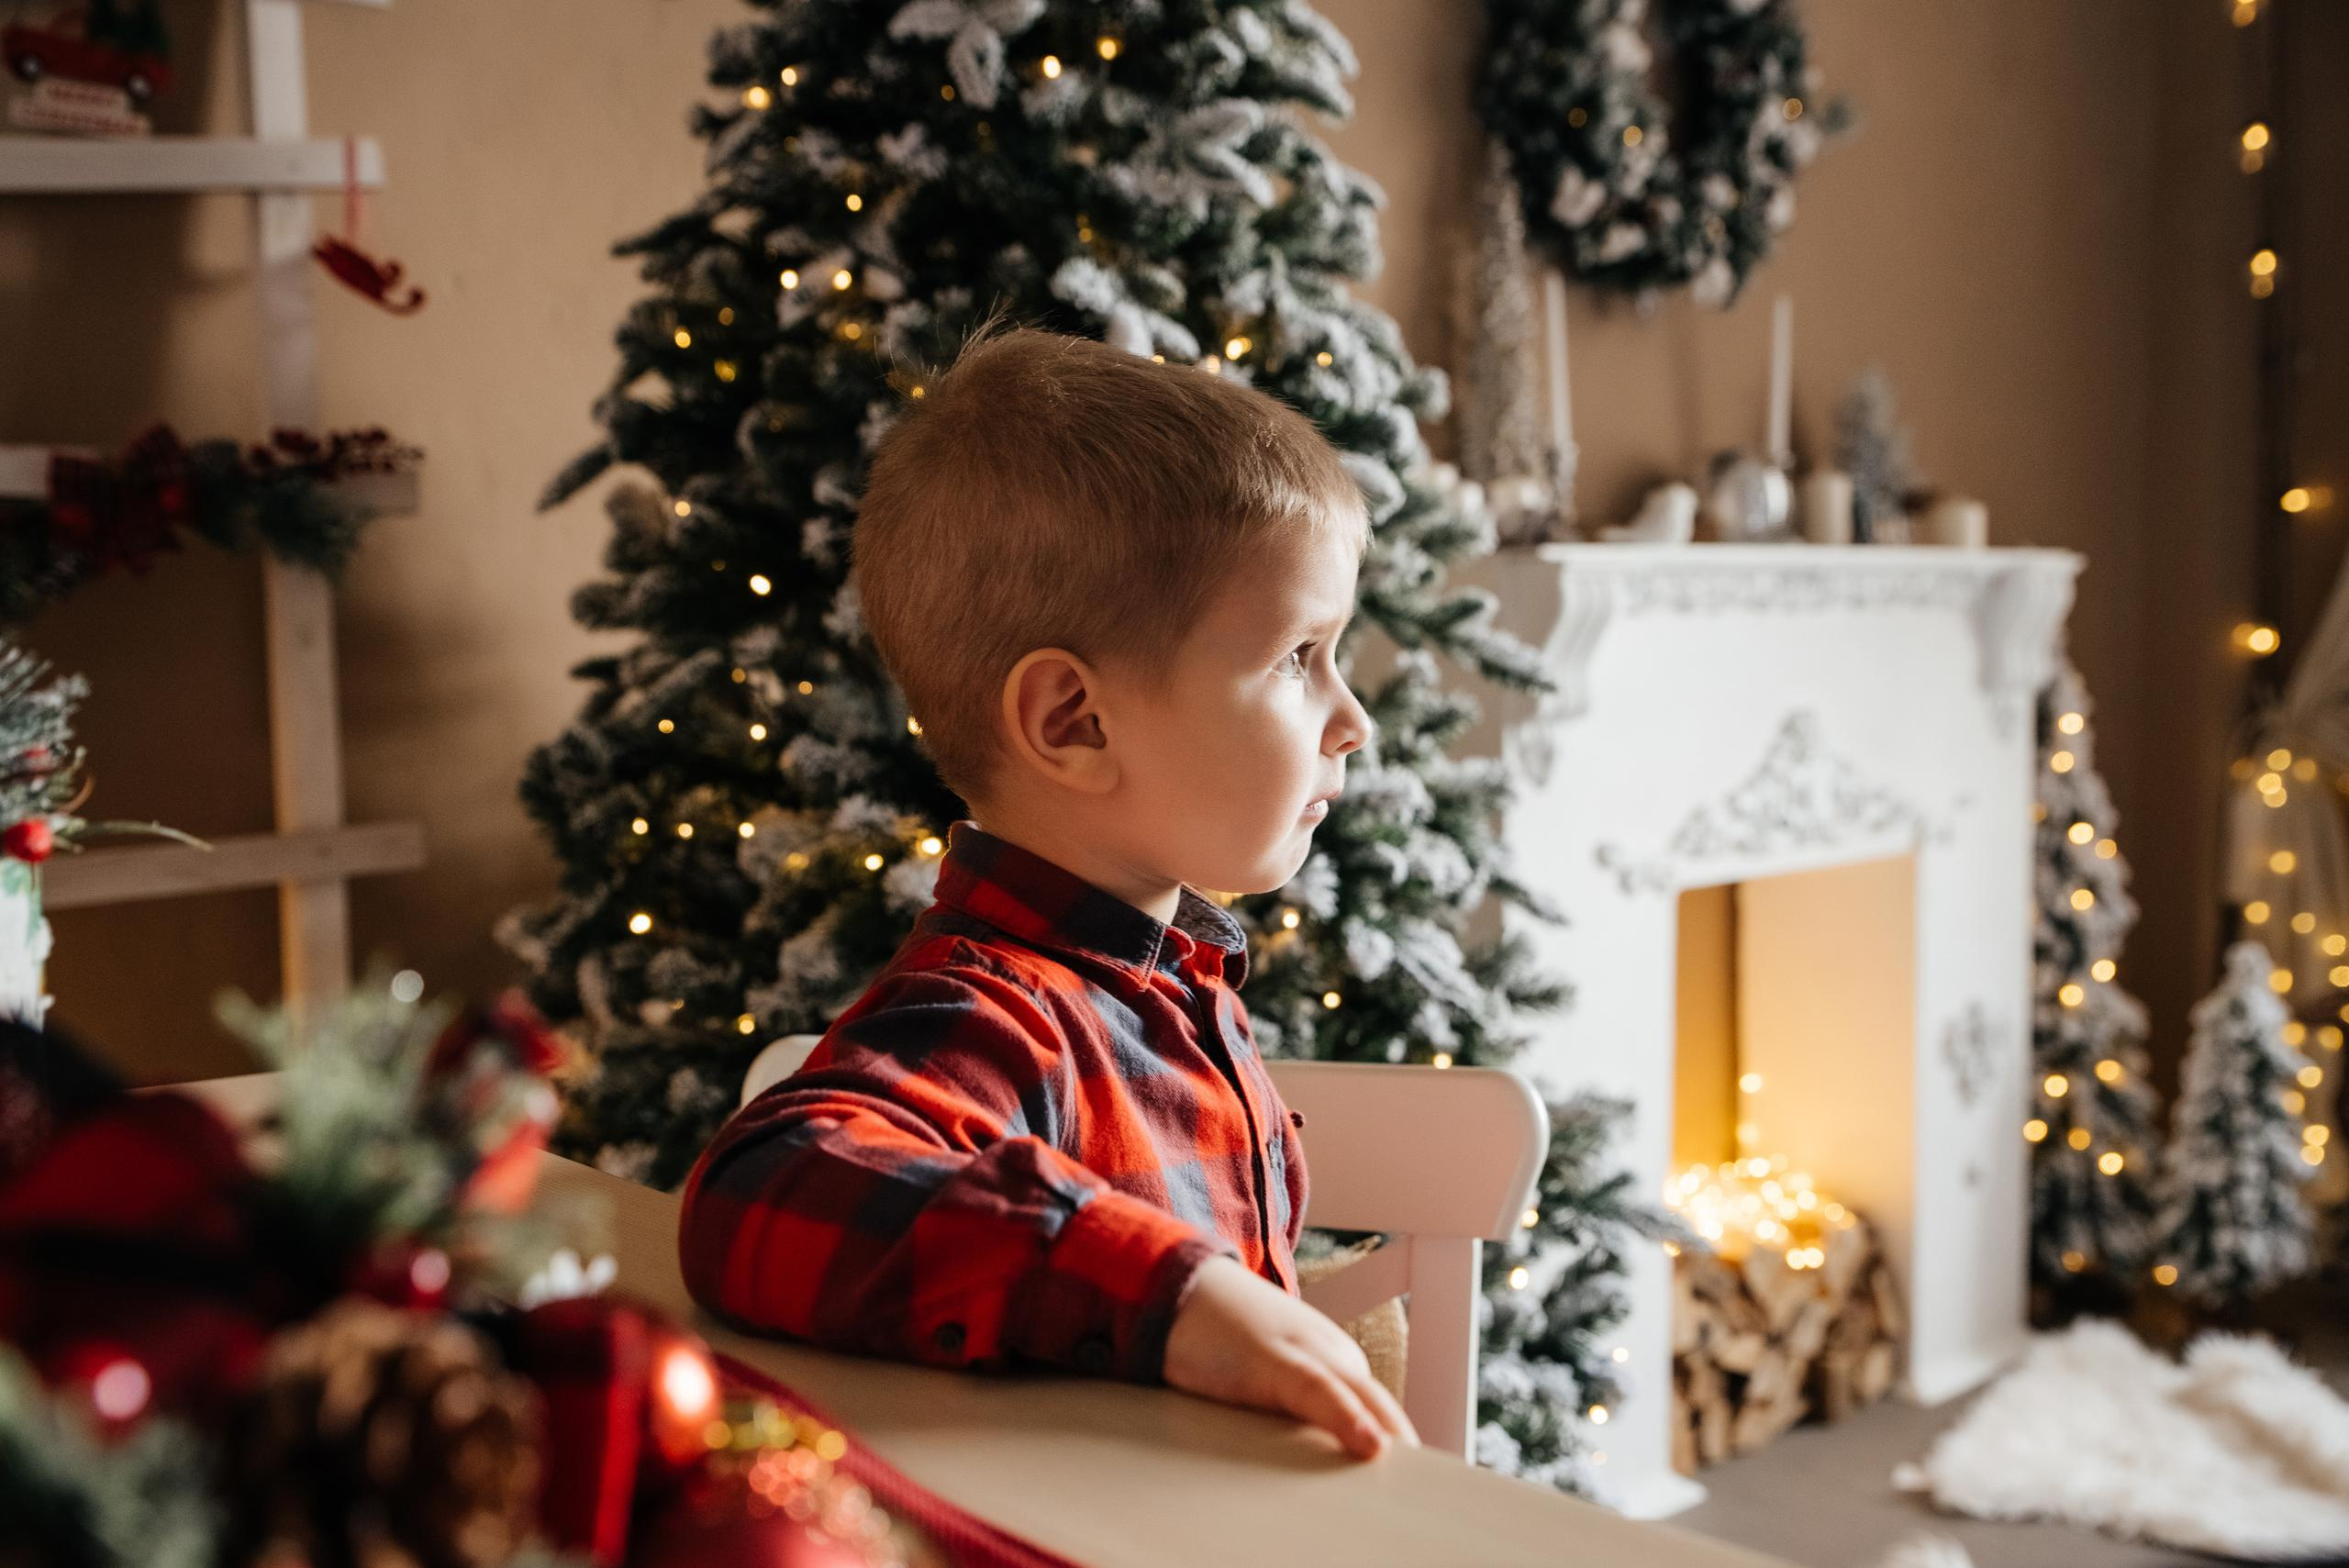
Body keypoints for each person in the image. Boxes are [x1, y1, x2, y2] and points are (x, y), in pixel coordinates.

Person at [675, 323, 1415, 1462]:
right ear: (1074, 721)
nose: (1351, 719)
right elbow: (760, 1186)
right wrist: (1174, 1294)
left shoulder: (1165, 980)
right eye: (1294, 657)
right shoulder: (998, 1012)